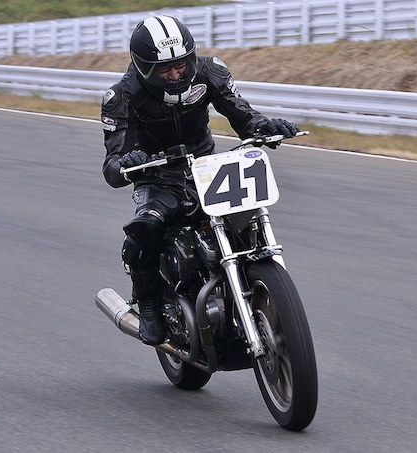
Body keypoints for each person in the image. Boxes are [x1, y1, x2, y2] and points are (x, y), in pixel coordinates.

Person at [101, 15, 299, 345]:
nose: (175, 74)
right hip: (158, 176)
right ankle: (149, 304)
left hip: (207, 166)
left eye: (181, 64)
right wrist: (127, 161)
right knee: (144, 229)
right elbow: (112, 164)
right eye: (165, 69)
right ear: (144, 67)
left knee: (247, 221)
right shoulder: (122, 95)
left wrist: (264, 126)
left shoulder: (210, 71)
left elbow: (242, 114)